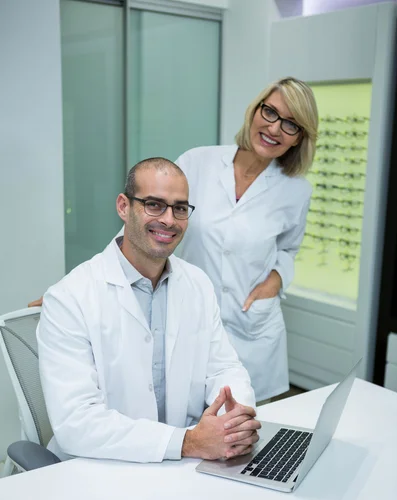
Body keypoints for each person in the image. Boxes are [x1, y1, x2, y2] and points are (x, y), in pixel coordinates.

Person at [37, 158, 260, 463]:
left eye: (180, 208)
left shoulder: (197, 283)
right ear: (123, 207)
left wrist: (234, 421)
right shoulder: (69, 298)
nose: (169, 220)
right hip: (101, 467)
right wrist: (188, 442)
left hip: (186, 464)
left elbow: (224, 368)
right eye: (154, 204)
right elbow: (77, 423)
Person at [175, 77, 319, 402]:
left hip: (251, 331)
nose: (275, 128)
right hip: (191, 325)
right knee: (192, 428)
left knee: (249, 433)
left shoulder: (296, 191)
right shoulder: (197, 163)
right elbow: (145, 227)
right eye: (270, 112)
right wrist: (82, 288)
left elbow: (288, 248)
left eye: (291, 125)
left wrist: (275, 280)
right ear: (255, 111)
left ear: (299, 139)